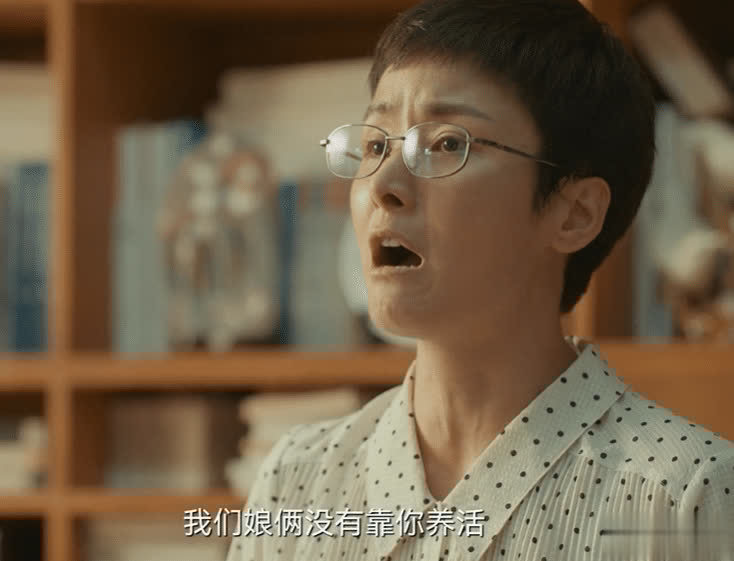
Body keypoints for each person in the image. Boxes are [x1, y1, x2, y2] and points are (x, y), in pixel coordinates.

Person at [225, 1, 734, 559]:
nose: (384, 184)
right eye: (375, 145)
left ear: (575, 213)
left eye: (447, 143)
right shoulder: (298, 483)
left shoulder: (686, 499)